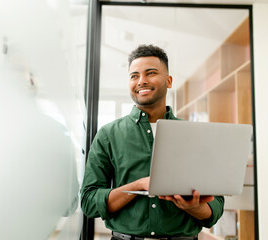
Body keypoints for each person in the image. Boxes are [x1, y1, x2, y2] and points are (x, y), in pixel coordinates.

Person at [80, 44, 224, 240]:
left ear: (169, 80)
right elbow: (89, 202)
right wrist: (139, 185)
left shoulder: (194, 134)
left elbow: (215, 208)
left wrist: (194, 207)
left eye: (151, 73)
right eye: (134, 76)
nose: (142, 81)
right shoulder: (108, 134)